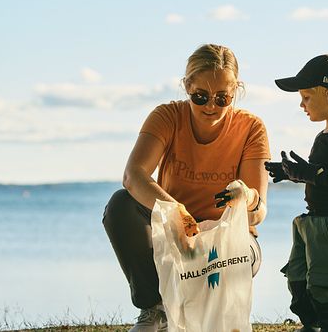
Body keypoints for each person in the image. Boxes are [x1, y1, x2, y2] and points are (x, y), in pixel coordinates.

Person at [103, 44, 270, 332]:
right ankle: (156, 309)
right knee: (119, 206)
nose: (210, 106)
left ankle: (221, 315)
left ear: (235, 91)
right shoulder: (167, 117)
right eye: (200, 96)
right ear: (187, 87)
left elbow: (258, 214)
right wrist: (178, 213)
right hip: (177, 238)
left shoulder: (251, 128)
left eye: (222, 98)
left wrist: (249, 199)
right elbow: (134, 175)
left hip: (229, 245)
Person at [265, 54, 328, 332]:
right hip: (313, 221)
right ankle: (312, 325)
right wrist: (290, 172)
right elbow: (321, 175)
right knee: (297, 278)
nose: (301, 104)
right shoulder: (324, 135)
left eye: (306, 97)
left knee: (324, 285)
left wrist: (309, 173)